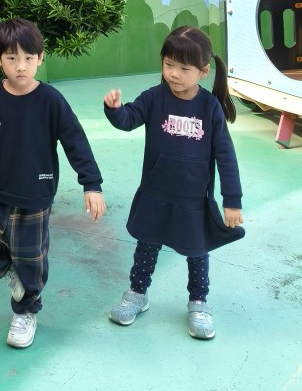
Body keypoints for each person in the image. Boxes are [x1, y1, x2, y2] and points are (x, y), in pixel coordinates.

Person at [0, 18, 105, 350]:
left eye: (28, 58)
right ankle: (9, 275)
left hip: (35, 193)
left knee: (31, 259)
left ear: (40, 58)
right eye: (12, 58)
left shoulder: (50, 100)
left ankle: (26, 311)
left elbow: (75, 141)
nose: (21, 66)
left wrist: (91, 184)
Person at [103, 25, 245, 340]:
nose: (174, 74)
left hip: (193, 198)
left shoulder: (209, 107)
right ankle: (137, 294)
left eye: (184, 68)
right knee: (147, 244)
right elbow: (128, 119)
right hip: (156, 192)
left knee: (197, 251)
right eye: (169, 64)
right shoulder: (154, 98)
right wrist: (114, 110)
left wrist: (232, 201)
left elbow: (225, 155)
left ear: (204, 71)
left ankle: (198, 302)